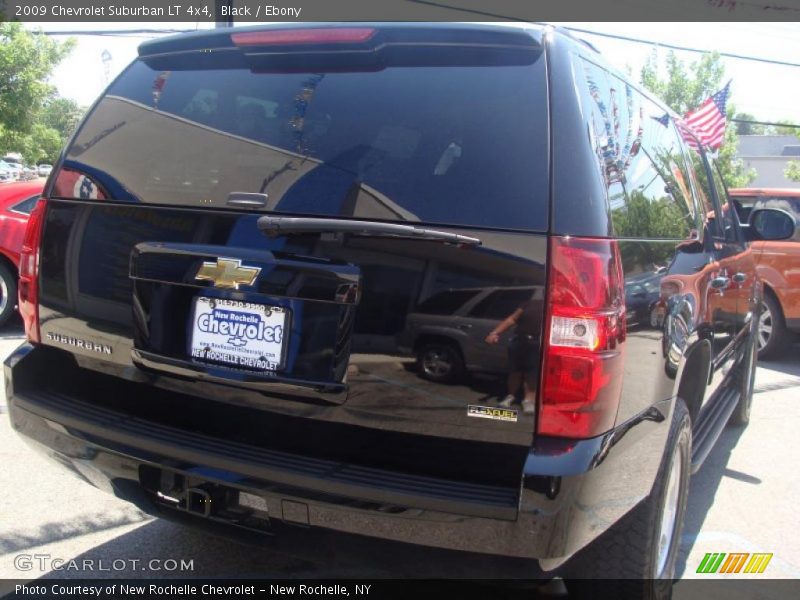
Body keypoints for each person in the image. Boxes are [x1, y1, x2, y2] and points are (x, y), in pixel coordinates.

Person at [484, 295, 541, 414]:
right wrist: (495, 333)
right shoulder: (529, 303)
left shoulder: (556, 308)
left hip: (539, 343)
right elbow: (512, 319)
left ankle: (528, 400)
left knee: (532, 373)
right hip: (520, 340)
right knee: (514, 371)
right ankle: (510, 396)